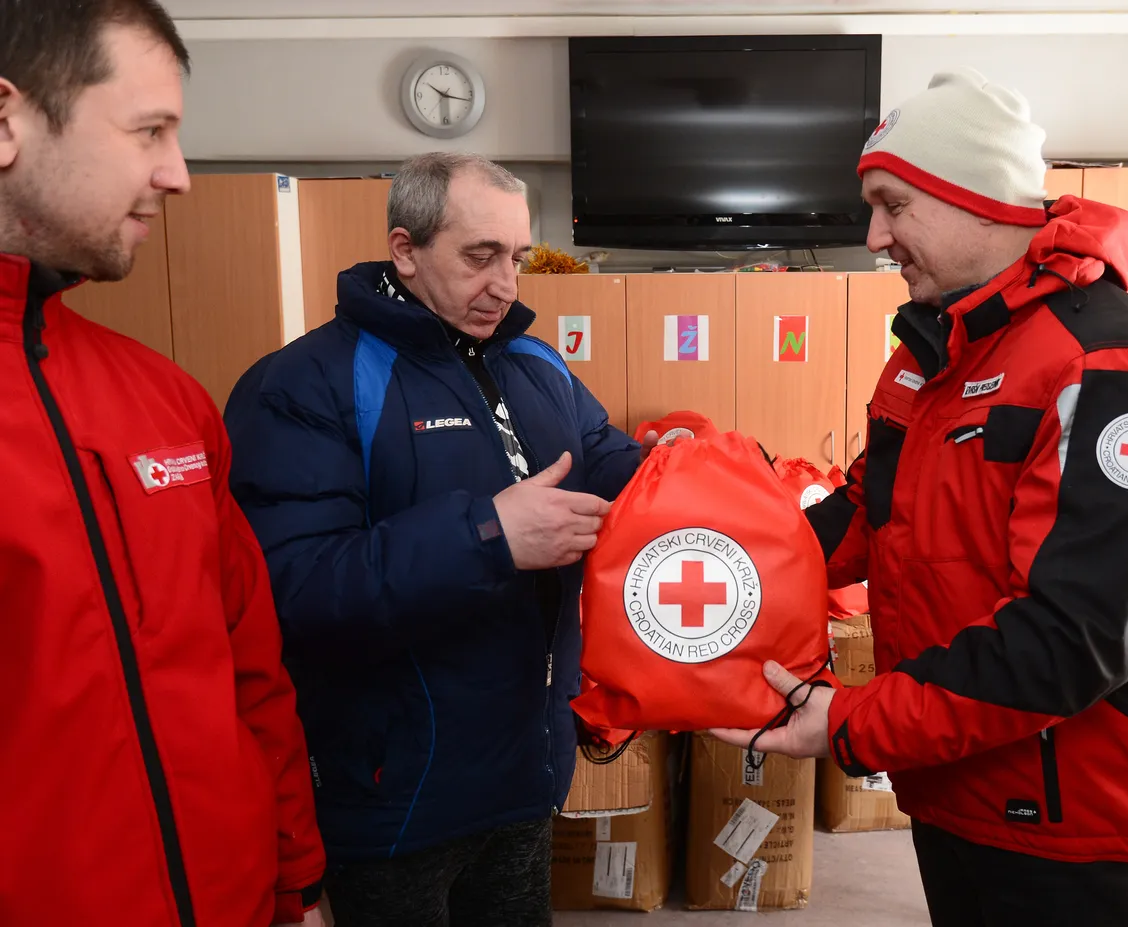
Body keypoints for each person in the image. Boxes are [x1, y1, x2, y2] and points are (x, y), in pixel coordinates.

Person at [715, 68, 1128, 927]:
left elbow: (1074, 640)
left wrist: (852, 721)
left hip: (1077, 820)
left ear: (977, 198)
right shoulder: (927, 355)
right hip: (948, 780)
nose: (874, 235)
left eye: (893, 205)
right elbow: (869, 512)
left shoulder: (1111, 369)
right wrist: (719, 564)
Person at [223, 152, 652, 927]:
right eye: (479, 256)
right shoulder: (303, 384)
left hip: (523, 775)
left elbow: (610, 460)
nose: (505, 283)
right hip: (393, 799)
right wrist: (490, 535)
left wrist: (703, 475)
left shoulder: (536, 362)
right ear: (405, 249)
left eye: (516, 257)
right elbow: (293, 587)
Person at [0, 2, 327, 925]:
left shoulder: (168, 402)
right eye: (150, 130)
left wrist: (294, 879)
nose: (177, 174)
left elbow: (250, 673)